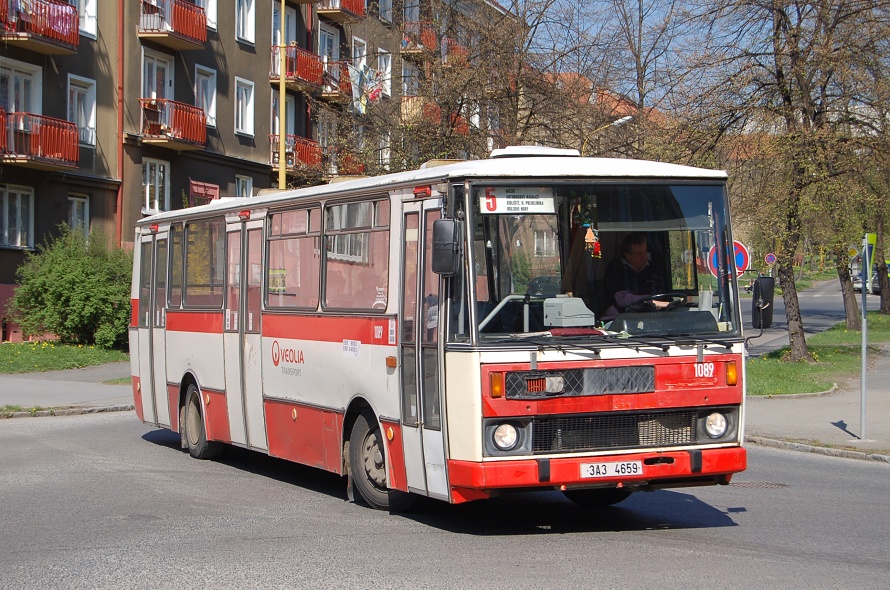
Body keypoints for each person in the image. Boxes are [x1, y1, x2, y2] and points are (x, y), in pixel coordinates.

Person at [602, 232, 668, 321]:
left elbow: (663, 295)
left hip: (651, 319)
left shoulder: (653, 269)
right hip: (619, 321)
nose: (644, 256)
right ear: (627, 255)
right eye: (639, 253)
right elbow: (622, 300)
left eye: (645, 251)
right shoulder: (615, 269)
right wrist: (651, 302)